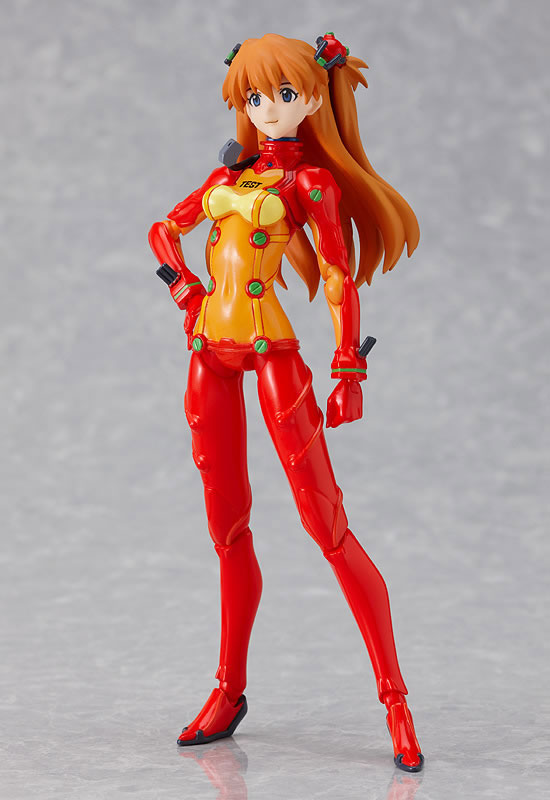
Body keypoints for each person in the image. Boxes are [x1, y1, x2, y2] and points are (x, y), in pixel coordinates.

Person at [149, 32, 424, 772]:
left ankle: (396, 701)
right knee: (228, 531)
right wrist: (184, 288)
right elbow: (163, 230)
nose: (267, 109)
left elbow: (336, 276)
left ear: (312, 98)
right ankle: (228, 688)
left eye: (283, 94)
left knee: (326, 525)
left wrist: (348, 367)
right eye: (254, 96)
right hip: (209, 354)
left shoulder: (312, 186)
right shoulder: (225, 176)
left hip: (274, 354)